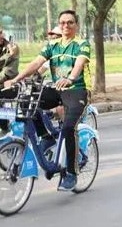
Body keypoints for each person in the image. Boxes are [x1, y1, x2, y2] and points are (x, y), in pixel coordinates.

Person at [4, 10, 90, 191]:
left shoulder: (82, 44)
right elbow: (36, 63)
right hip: (55, 89)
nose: (66, 26)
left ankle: (72, 173)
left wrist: (71, 79)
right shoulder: (52, 45)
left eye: (70, 23)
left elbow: (79, 64)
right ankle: (46, 135)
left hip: (76, 91)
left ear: (76, 25)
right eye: (63, 23)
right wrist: (17, 79)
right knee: (29, 102)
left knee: (68, 128)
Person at [0, 26, 20, 135]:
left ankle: (5, 127)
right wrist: (7, 56)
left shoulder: (12, 47)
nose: (1, 36)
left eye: (1, 32)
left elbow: (8, 72)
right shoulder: (9, 52)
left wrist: (10, 54)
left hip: (9, 84)